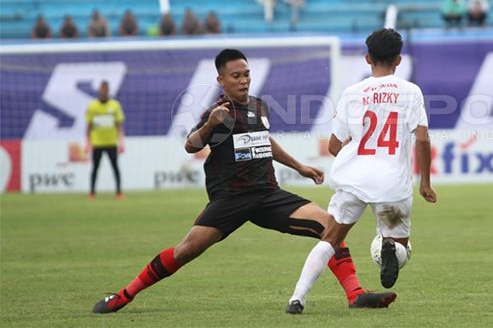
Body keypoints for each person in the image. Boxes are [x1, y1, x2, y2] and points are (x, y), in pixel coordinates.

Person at [92, 49, 396, 314]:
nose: (243, 80)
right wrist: (209, 125)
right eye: (236, 76)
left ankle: (356, 294)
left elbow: (265, 142)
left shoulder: (257, 106)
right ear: (221, 81)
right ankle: (125, 295)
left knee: (329, 224)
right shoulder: (218, 113)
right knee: (186, 250)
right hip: (231, 199)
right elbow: (191, 145)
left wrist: (300, 166)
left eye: (246, 74)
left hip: (266, 194)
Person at [286, 29, 437, 315]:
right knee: (400, 247)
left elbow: (333, 146)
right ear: (399, 60)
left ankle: (297, 298)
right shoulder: (411, 91)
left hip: (354, 179)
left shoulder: (352, 93)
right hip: (392, 183)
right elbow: (422, 139)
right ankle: (391, 251)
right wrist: (425, 183)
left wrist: (353, 151)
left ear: (368, 58)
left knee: (330, 240)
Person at [86, 81, 125, 199]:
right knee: (95, 168)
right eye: (102, 89)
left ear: (108, 91)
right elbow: (89, 126)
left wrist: (121, 142)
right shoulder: (92, 106)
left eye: (105, 89)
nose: (104, 91)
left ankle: (119, 192)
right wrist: (87, 142)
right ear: (99, 90)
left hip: (111, 142)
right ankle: (92, 193)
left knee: (115, 168)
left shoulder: (115, 105)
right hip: (97, 142)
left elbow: (119, 125)